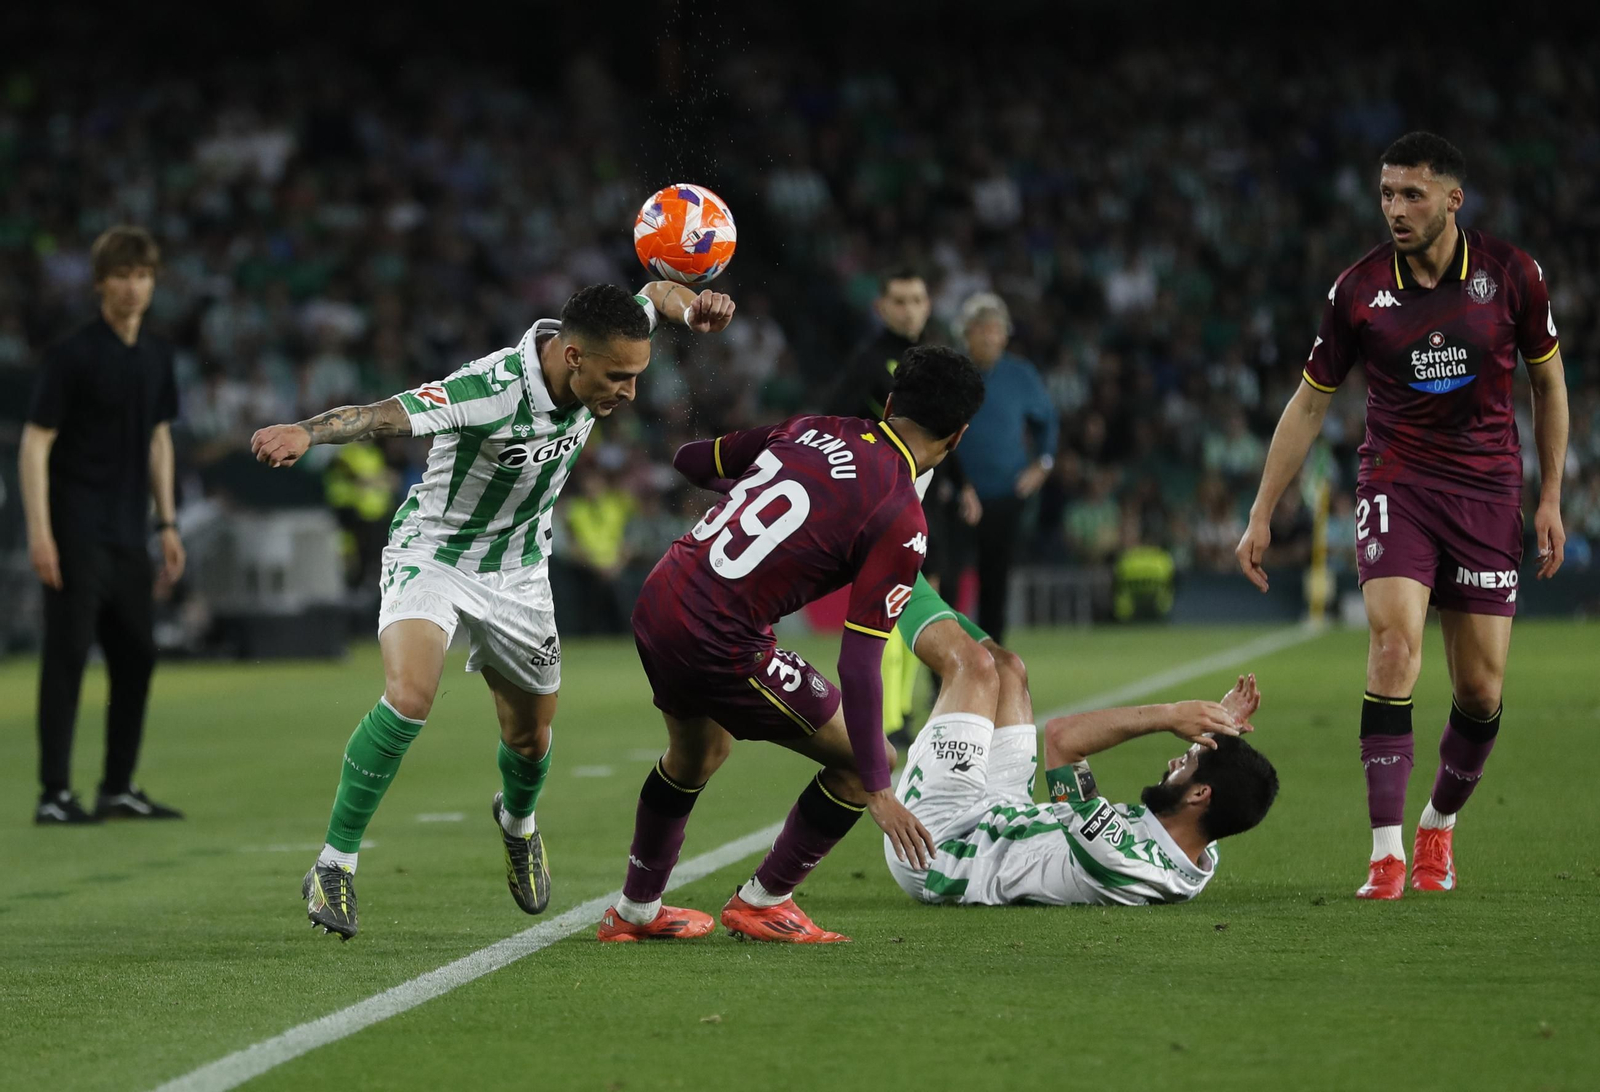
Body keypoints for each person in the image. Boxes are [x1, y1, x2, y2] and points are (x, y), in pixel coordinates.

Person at [250, 281, 735, 939]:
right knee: (410, 697)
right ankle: (335, 864)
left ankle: (517, 822)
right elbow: (382, 414)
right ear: (572, 358)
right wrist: (305, 432)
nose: (629, 392)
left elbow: (653, 291)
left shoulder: (605, 335)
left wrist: (691, 306)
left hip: (519, 572)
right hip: (435, 554)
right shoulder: (490, 390)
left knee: (530, 738)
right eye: (618, 377)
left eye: (637, 376)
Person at [1235, 132, 1570, 900]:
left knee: (1481, 691)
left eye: (1412, 194)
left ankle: (1436, 829)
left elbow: (1549, 388)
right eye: (1387, 193)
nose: (1395, 208)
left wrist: (1549, 497)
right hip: (1398, 481)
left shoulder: (1511, 275)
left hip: (1487, 490)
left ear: (1454, 199)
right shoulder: (1357, 291)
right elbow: (1310, 402)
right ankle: (1385, 853)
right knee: (1391, 647)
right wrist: (1261, 512)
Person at [596, 346, 986, 944]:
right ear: (957, 437)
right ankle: (763, 901)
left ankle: (636, 910)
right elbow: (859, 662)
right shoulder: (900, 516)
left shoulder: (813, 427)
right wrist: (880, 790)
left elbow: (691, 460)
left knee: (695, 756)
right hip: (720, 636)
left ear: (887, 403)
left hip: (662, 596)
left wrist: (771, 479)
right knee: (863, 761)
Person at [20, 225, 187, 825]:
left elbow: (159, 439)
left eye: (142, 275)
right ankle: (53, 793)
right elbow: (35, 445)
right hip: (74, 527)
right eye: (121, 275)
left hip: (128, 530)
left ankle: (117, 787)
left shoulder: (158, 355)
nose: (133, 287)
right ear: (100, 284)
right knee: (66, 657)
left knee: (137, 654)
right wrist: (40, 533)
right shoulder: (72, 356)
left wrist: (167, 522)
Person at [887, 669, 1276, 907]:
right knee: (1008, 671)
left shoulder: (1117, 854)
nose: (1175, 762)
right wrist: (1219, 733)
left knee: (972, 668)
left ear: (1199, 794)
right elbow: (1232, 795)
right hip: (998, 819)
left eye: (1186, 763)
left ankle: (897, 572)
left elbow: (1062, 739)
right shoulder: (1199, 853)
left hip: (940, 851)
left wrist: (1170, 715)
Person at [821, 268, 980, 747]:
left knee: (915, 597)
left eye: (917, 299)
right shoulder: (869, 362)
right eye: (900, 300)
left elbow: (943, 431)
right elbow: (831, 418)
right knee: (895, 602)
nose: (909, 309)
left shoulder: (929, 360)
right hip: (887, 501)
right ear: (882, 307)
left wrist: (964, 483)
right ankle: (889, 718)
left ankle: (902, 712)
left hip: (927, 498)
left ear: (928, 305)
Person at [954, 292, 1058, 642]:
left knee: (995, 582)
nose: (988, 335)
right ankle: (942, 673)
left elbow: (1047, 421)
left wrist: (1042, 464)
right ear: (965, 333)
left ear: (1005, 334)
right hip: (952, 493)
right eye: (981, 328)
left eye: (996, 329)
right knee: (945, 581)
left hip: (1003, 494)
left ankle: (991, 668)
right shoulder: (950, 371)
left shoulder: (1020, 375)